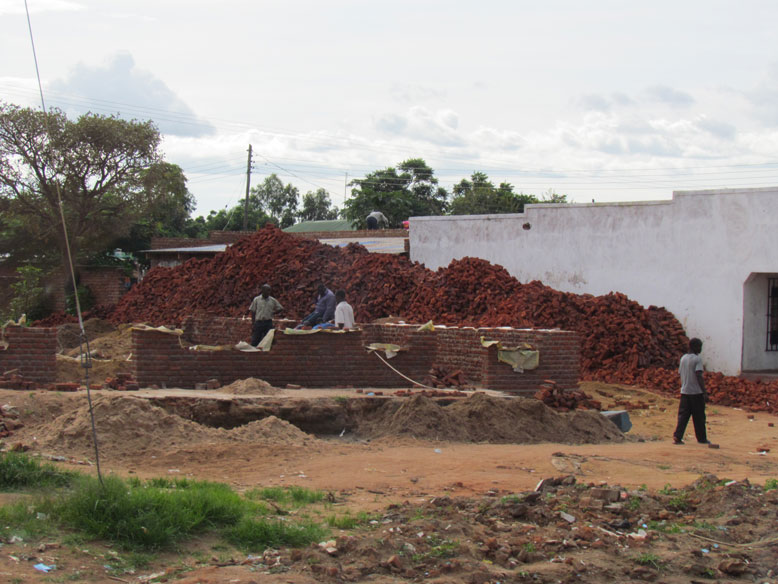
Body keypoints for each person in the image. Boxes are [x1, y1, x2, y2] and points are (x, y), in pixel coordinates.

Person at [672, 337, 711, 445]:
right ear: (695, 347)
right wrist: (704, 392)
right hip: (696, 393)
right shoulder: (697, 359)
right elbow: (699, 375)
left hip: (684, 392)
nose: (701, 349)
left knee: (683, 416)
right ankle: (701, 438)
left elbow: (680, 373)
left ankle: (677, 436)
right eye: (699, 347)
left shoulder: (683, 358)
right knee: (699, 417)